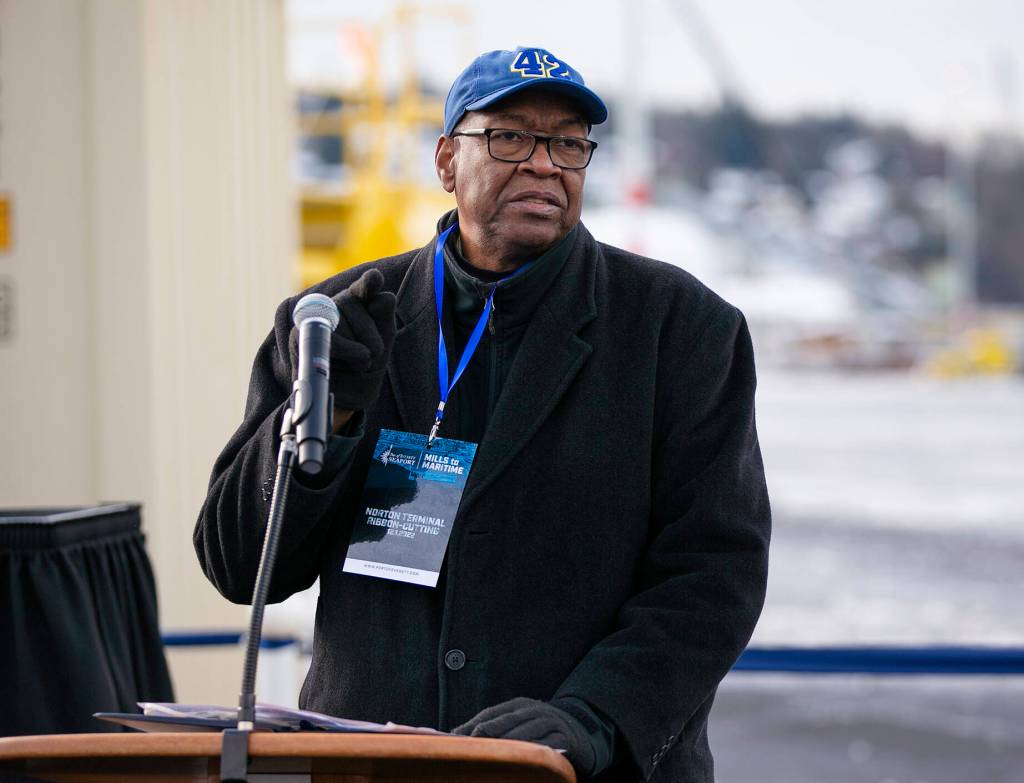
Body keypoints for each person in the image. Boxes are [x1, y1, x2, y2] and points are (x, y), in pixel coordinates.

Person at [195, 46, 770, 782]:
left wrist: (593, 716)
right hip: (375, 764)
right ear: (445, 162)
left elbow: (715, 573)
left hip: (579, 771)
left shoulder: (682, 330)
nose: (543, 163)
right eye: (509, 136)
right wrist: (328, 417)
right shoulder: (333, 324)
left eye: (568, 143)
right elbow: (239, 565)